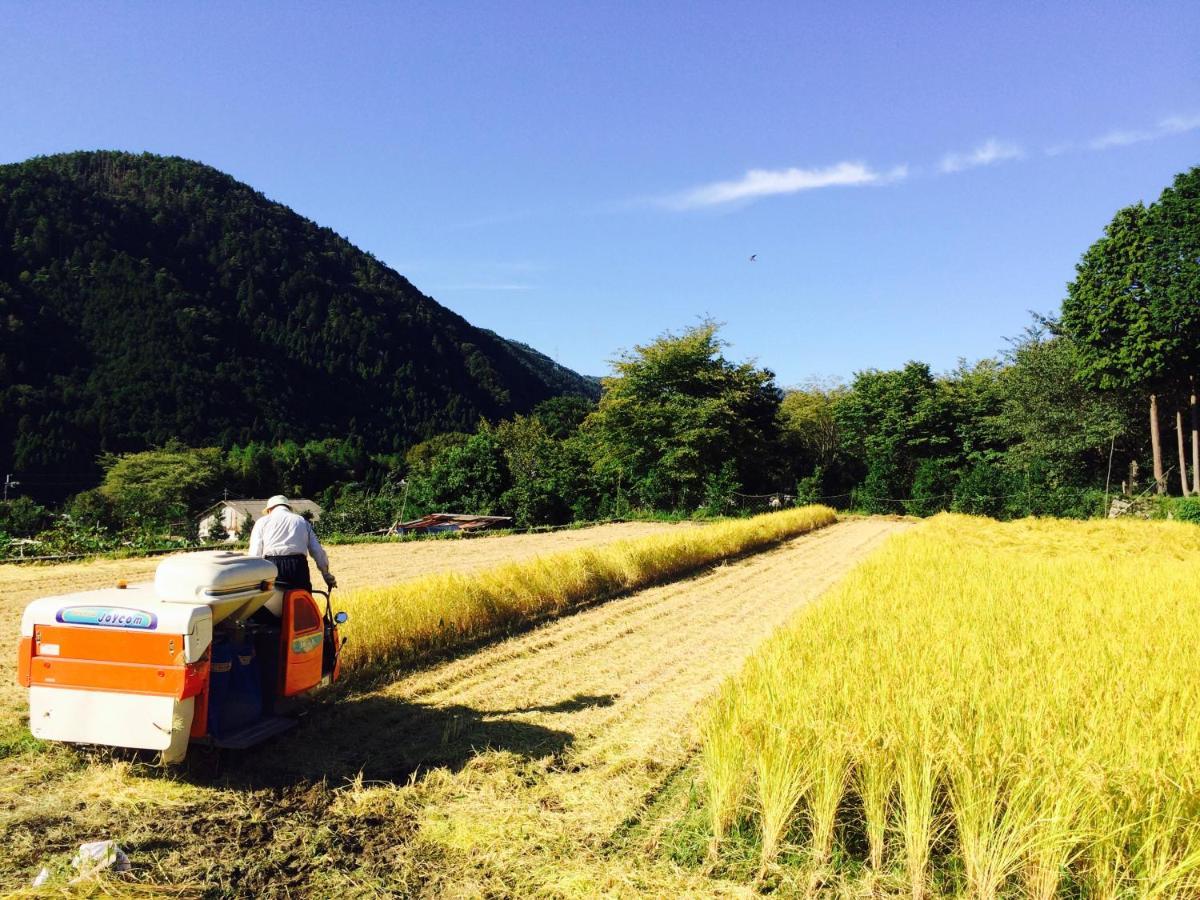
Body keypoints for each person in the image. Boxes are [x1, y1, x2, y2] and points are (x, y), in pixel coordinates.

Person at [248, 495, 336, 592]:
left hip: (272, 566)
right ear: (288, 508)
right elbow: (316, 550)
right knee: (301, 602)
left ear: (269, 510)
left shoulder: (262, 522)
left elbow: (255, 552)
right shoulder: (301, 521)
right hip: (298, 566)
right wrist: (326, 574)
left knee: (273, 604)